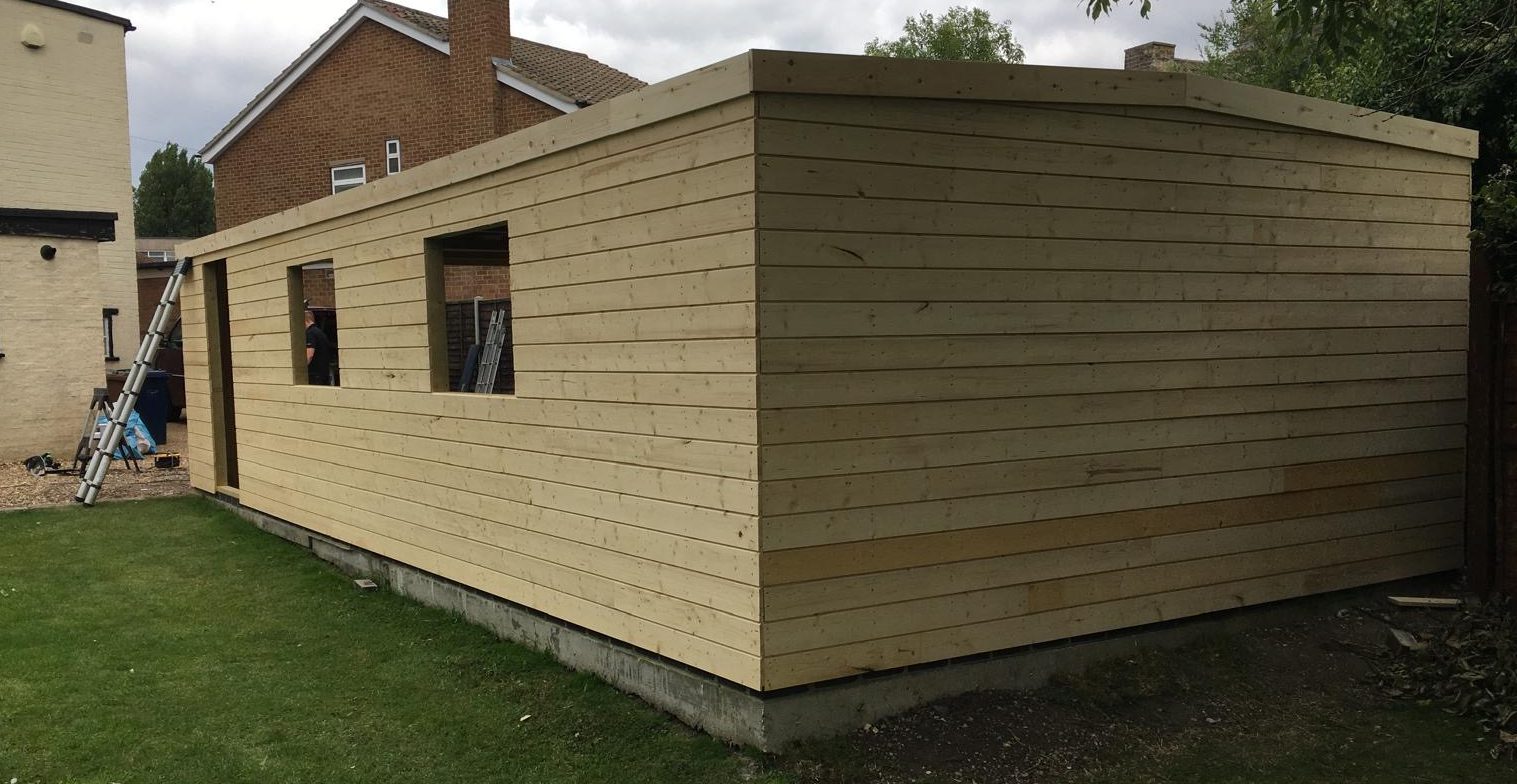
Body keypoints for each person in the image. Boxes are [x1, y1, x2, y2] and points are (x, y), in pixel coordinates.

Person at [304, 309, 335, 385]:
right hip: (323, 374)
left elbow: (309, 356)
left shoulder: (310, 333)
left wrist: (301, 370)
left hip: (315, 375)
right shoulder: (320, 332)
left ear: (305, 320)